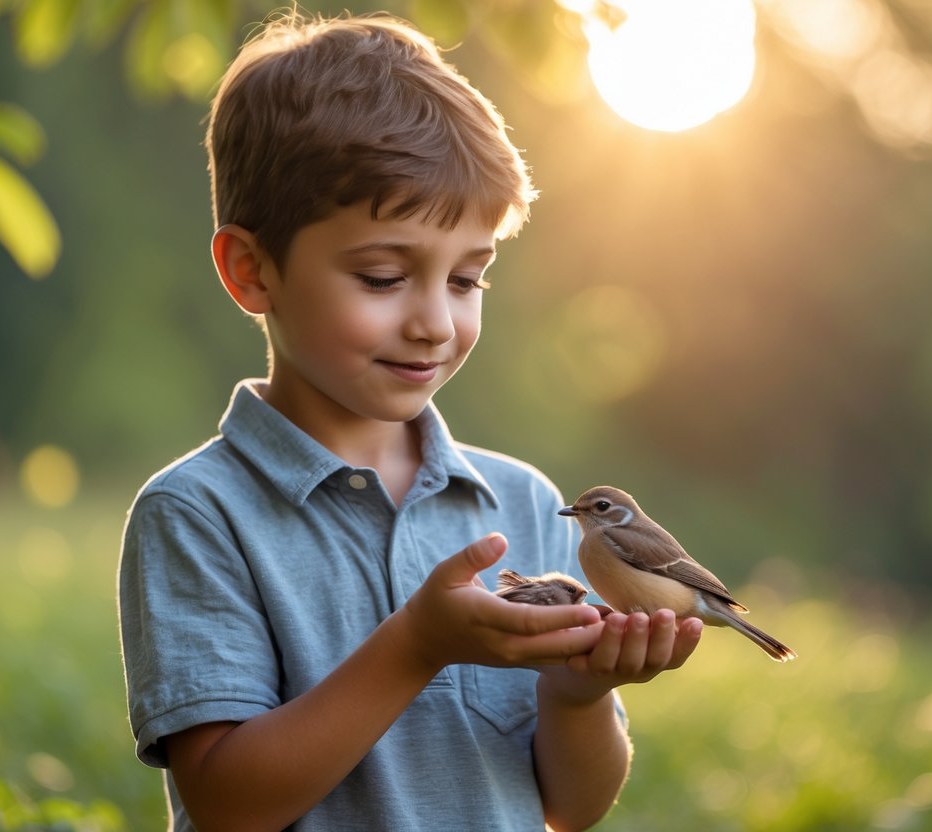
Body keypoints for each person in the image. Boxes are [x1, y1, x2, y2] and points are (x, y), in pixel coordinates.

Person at [117, 11, 703, 831]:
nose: (434, 322)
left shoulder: (524, 503)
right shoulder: (198, 514)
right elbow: (226, 805)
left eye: (466, 281)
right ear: (252, 271)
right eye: (385, 276)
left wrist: (577, 693)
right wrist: (416, 644)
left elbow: (569, 808)